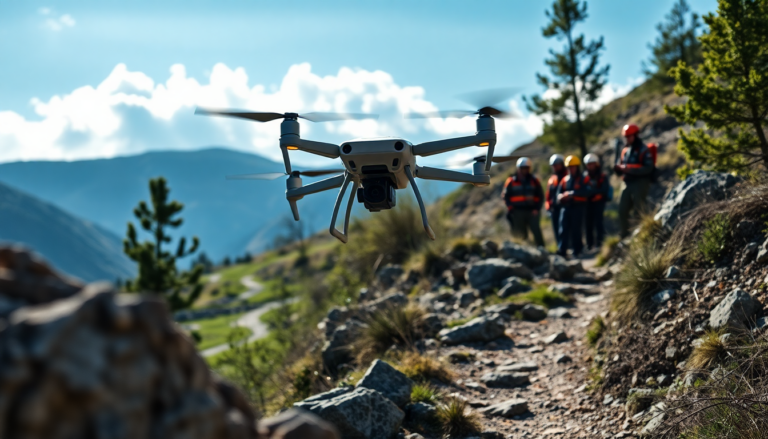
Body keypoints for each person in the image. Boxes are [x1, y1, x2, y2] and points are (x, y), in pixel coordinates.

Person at [614, 123, 654, 238]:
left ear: (635, 135)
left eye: (629, 136)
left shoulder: (644, 150)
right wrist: (619, 170)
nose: (627, 139)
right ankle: (625, 235)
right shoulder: (625, 151)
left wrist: (630, 169)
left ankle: (640, 235)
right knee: (622, 210)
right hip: (626, 182)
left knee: (639, 209)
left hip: (640, 182)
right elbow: (621, 167)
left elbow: (648, 168)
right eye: (625, 137)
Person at [502, 157, 545, 247]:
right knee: (521, 234)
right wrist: (510, 208)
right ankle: (524, 251)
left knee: (536, 231)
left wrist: (536, 208)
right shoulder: (511, 181)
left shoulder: (534, 180)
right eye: (522, 168)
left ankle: (542, 249)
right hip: (517, 212)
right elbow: (505, 196)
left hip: (532, 211)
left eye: (526, 168)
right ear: (518, 168)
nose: (524, 170)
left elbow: (540, 196)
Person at [556, 155, 591, 258]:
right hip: (566, 207)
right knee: (563, 229)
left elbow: (587, 192)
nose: (571, 169)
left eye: (573, 167)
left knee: (576, 229)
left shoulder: (584, 179)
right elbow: (558, 194)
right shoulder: (565, 180)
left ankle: (578, 251)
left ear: (577, 167)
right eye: (569, 167)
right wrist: (561, 197)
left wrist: (573, 194)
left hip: (578, 207)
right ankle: (562, 251)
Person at [583, 153, 610, 251]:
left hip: (599, 203)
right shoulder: (584, 177)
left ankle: (600, 242)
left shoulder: (602, 176)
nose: (590, 166)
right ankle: (589, 244)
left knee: (599, 222)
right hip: (588, 204)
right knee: (588, 223)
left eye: (592, 164)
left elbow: (604, 189)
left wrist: (592, 192)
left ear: (596, 164)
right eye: (589, 164)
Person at [545, 154, 567, 247]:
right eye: (553, 165)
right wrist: (548, 206)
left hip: (565, 207)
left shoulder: (567, 176)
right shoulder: (551, 180)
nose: (555, 167)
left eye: (557, 164)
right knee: (556, 229)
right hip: (554, 209)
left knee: (566, 229)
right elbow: (548, 196)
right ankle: (560, 248)